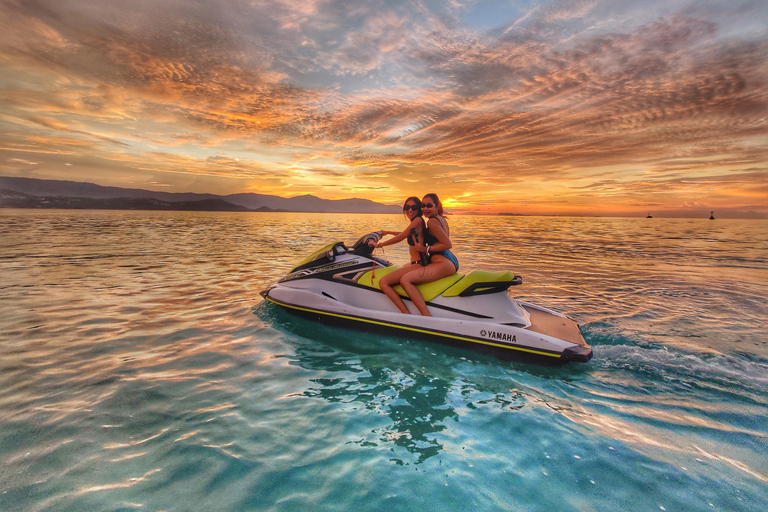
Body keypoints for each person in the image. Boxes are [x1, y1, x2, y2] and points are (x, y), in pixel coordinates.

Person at [390, 193, 459, 316]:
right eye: (423, 205)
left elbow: (447, 244)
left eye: (429, 206)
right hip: (448, 260)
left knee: (405, 280)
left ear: (437, 206)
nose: (425, 209)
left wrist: (426, 249)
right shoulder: (441, 218)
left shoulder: (432, 222)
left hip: (443, 261)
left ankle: (426, 317)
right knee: (405, 268)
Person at [373, 197, 427, 310]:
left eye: (414, 207)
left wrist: (379, 245)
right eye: (407, 207)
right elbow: (403, 233)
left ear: (419, 209)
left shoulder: (418, 220)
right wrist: (387, 232)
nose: (410, 210)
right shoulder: (416, 222)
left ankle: (405, 313)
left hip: (418, 264)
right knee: (395, 270)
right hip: (415, 263)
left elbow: (401, 238)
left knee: (383, 283)